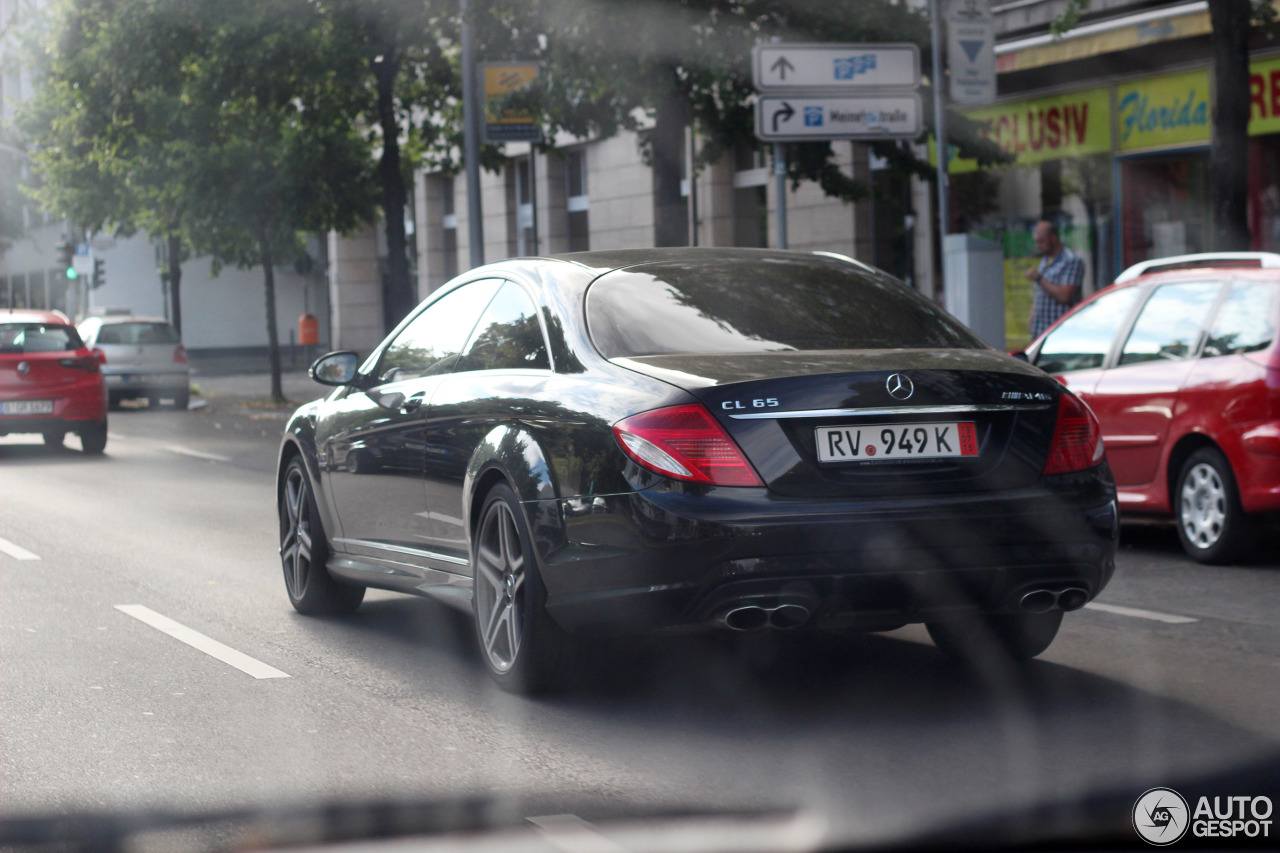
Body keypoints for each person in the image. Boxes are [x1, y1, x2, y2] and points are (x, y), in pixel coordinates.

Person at [1026, 220, 1084, 339]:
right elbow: (1040, 293)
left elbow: (1064, 296)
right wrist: (1032, 318)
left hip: (1059, 334)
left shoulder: (1071, 261)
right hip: (1040, 332)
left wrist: (1039, 278)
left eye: (1041, 241)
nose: (1038, 245)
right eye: (1036, 242)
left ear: (1053, 238)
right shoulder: (1045, 260)